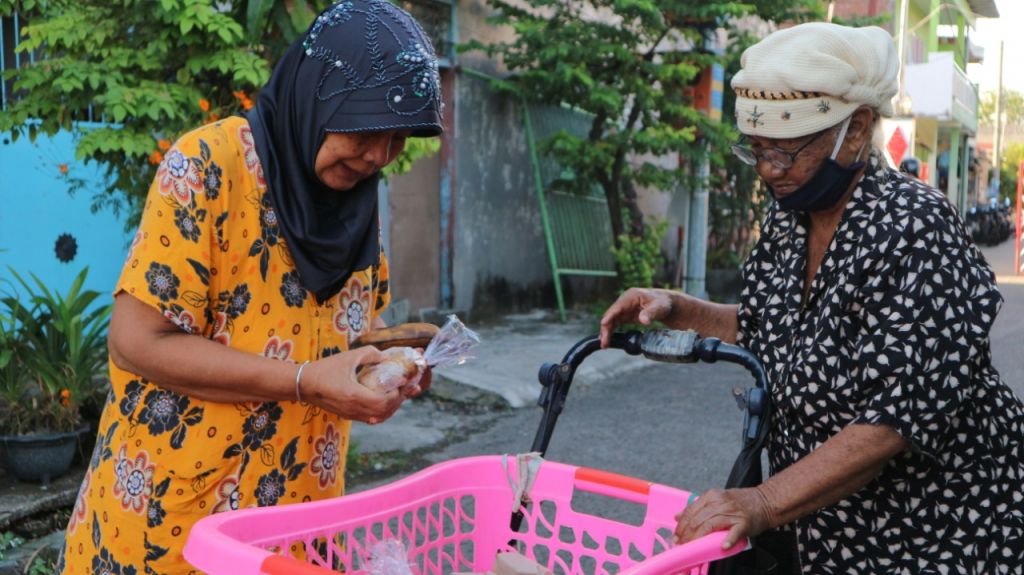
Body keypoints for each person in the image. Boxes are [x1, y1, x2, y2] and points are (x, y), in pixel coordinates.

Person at [600, 23, 1024, 573]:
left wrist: (764, 501)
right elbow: (774, 329)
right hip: (822, 527)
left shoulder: (915, 226)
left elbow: (895, 417)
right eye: (755, 152)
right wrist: (682, 310)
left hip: (936, 528)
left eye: (785, 152)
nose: (768, 171)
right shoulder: (790, 215)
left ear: (856, 131)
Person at [57, 2, 443, 573]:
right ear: (320, 94)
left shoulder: (355, 202)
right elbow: (136, 342)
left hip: (295, 525)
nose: (379, 156)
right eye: (367, 130)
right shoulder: (207, 167)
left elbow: (342, 332)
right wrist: (303, 381)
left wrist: (396, 356)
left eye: (398, 139)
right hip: (179, 523)